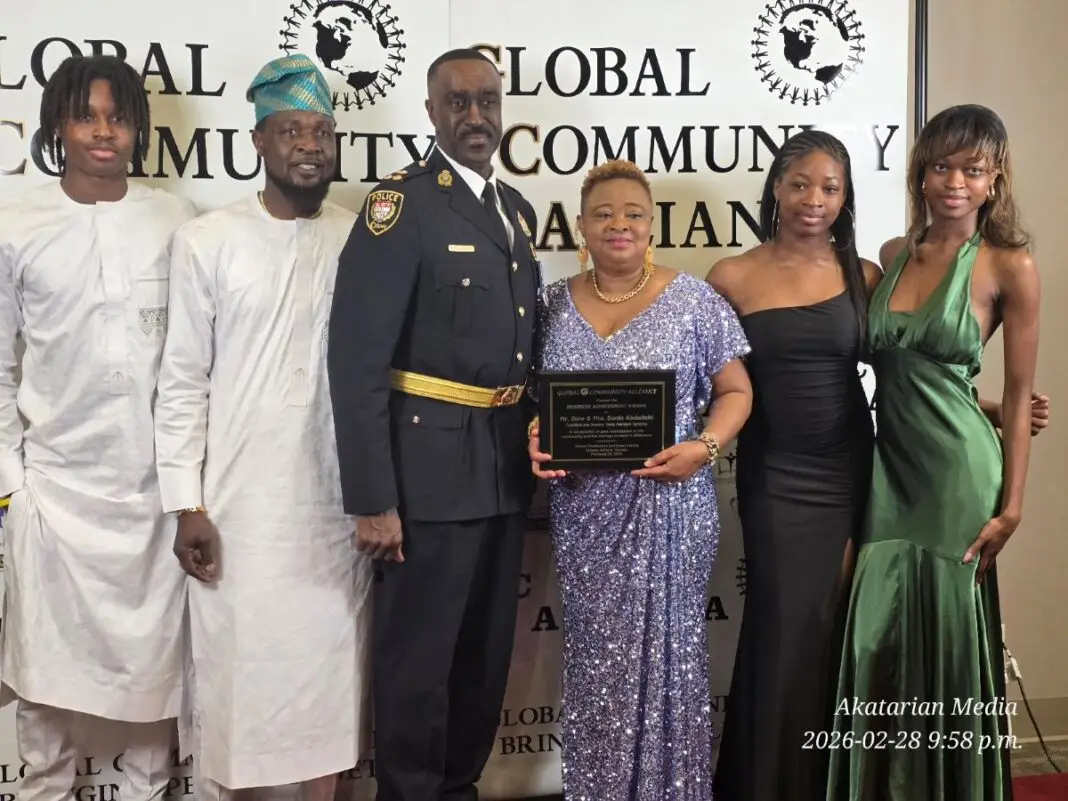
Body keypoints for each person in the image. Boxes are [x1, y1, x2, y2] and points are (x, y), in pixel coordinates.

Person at [706, 129, 1050, 801]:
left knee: (844, 637)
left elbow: (905, 363)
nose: (814, 198)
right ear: (775, 185)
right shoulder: (730, 275)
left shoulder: (862, 272)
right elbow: (711, 381)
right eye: (800, 182)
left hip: (857, 469)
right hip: (775, 474)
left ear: (846, 197)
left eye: (831, 187)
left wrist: (989, 408)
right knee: (782, 631)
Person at [153, 54, 371, 801]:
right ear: (258, 141)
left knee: (328, 703)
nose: (308, 145)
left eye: (320, 131)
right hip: (239, 518)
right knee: (234, 700)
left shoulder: (363, 239)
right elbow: (181, 380)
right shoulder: (207, 241)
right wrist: (188, 503)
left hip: (336, 516)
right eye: (290, 131)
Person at [326, 48, 539, 801]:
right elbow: (356, 361)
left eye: (487, 101)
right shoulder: (401, 206)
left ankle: (460, 789)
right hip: (423, 481)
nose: (475, 116)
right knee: (418, 666)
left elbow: (524, 348)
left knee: (483, 663)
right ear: (431, 112)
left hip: (503, 471)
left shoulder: (515, 210)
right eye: (458, 102)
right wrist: (373, 497)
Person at [827, 104, 1040, 800]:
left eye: (972, 169)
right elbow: (918, 372)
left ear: (993, 178)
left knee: (947, 639)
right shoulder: (893, 255)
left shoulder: (1011, 265)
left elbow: (1017, 395)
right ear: (921, 173)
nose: (955, 182)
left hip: (960, 477)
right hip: (891, 471)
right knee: (874, 635)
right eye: (942, 166)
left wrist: (1012, 506)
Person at [0, 55, 195, 801]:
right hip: (55, 497)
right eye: (87, 116)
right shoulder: (17, 227)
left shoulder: (174, 219)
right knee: (43, 682)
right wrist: (16, 489)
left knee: (156, 681)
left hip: (153, 501)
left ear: (138, 128)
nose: (104, 132)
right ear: (58, 125)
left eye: (118, 117)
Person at [528, 159, 753, 800]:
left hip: (671, 507)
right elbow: (532, 402)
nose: (618, 223)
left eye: (632, 213)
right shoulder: (549, 305)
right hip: (584, 512)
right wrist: (535, 435)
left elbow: (736, 390)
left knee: (669, 662)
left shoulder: (693, 301)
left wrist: (704, 446)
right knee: (599, 665)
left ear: (651, 225)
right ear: (581, 225)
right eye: (603, 213)